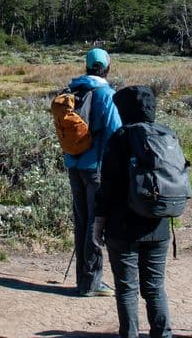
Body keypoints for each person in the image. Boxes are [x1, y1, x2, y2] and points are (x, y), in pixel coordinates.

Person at [94, 85, 176, 338]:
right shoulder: (167, 135)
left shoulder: (120, 138)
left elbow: (107, 187)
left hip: (123, 227)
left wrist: (98, 224)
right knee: (154, 288)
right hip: (158, 225)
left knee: (127, 289)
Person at [64, 47, 122, 297]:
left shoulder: (73, 90)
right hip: (95, 167)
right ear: (107, 67)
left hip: (73, 164)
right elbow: (115, 131)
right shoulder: (105, 93)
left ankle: (83, 280)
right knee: (95, 223)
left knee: (82, 220)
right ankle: (91, 283)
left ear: (87, 66)